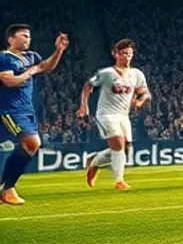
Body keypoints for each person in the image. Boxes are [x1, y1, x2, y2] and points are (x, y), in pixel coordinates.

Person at [0, 24, 69, 206]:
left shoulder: (31, 56)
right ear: (11, 39)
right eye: (23, 35)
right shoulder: (5, 57)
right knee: (32, 142)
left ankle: (5, 188)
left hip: (27, 110)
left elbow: (46, 67)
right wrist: (31, 71)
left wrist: (58, 50)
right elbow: (8, 81)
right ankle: (7, 189)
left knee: (29, 145)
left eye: (29, 36)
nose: (27, 39)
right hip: (9, 109)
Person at [79, 39, 151, 190]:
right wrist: (83, 107)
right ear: (115, 54)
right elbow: (88, 86)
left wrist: (140, 101)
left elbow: (145, 93)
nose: (127, 57)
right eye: (124, 53)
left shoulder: (136, 74)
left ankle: (95, 162)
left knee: (125, 150)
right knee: (118, 142)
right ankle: (119, 181)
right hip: (106, 114)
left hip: (124, 116)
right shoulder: (107, 73)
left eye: (130, 54)